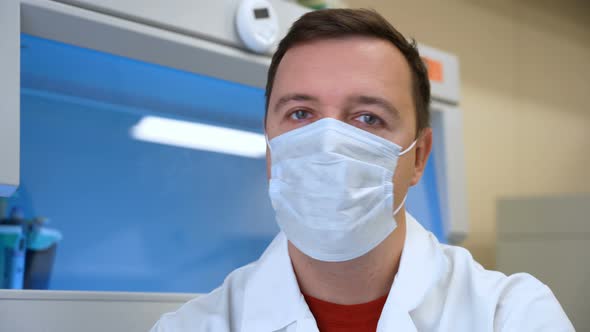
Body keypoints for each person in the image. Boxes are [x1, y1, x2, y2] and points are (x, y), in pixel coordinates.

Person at [151, 8, 573, 332]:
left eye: (368, 118)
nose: (327, 144)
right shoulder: (194, 325)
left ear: (419, 156)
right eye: (300, 114)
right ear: (269, 147)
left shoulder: (512, 315)